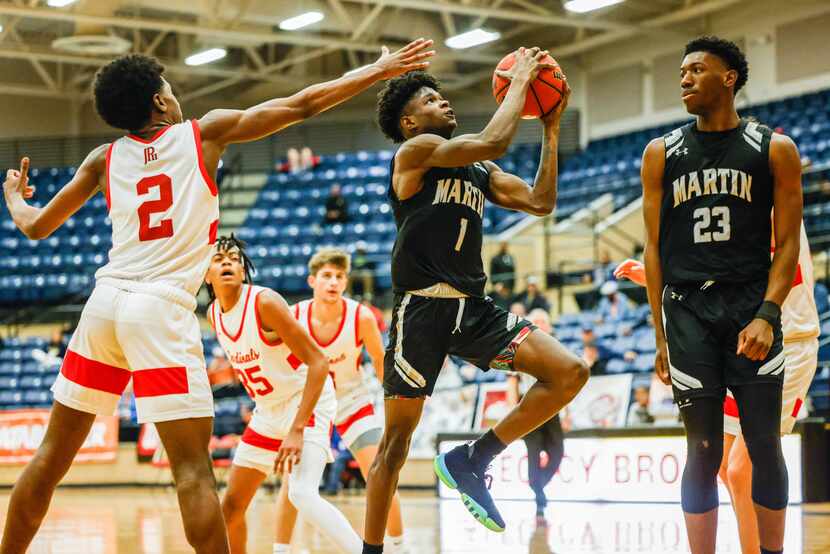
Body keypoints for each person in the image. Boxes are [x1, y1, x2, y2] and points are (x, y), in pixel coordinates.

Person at [0, 40, 434, 554]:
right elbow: (303, 105)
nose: (174, 95)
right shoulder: (203, 134)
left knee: (50, 457)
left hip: (104, 303)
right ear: (160, 103)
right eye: (169, 88)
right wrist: (378, 70)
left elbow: (35, 226)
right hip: (159, 309)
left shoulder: (102, 159)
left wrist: (12, 196)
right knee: (193, 473)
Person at [363, 48, 589, 554]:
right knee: (395, 446)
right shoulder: (413, 154)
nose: (442, 101)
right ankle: (371, 550)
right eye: (429, 98)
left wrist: (550, 129)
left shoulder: (477, 170)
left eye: (441, 96)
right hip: (420, 310)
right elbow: (494, 137)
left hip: (473, 310)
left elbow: (540, 202)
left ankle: (475, 458)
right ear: (409, 120)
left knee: (569, 372)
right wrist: (520, 83)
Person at [638, 36, 802, 554]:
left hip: (750, 307)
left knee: (764, 445)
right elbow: (652, 250)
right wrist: (660, 338)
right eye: (681, 71)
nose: (683, 78)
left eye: (696, 70)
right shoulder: (661, 153)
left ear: (729, 78)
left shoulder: (773, 148)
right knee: (702, 451)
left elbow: (790, 243)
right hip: (687, 312)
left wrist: (769, 314)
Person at [615, 221, 818, 553]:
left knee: (741, 470)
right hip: (741, 340)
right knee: (723, 465)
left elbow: (724, 259)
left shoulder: (769, 193)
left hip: (789, 341)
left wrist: (663, 273)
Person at [206, 236, 361, 554]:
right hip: (268, 410)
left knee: (302, 494)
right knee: (231, 506)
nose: (226, 263)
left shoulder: (264, 302)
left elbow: (318, 362)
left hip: (308, 400)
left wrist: (296, 428)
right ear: (205, 273)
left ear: (244, 269)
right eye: (218, 258)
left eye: (234, 259)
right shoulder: (213, 315)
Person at [274, 249, 407, 553]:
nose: (333, 282)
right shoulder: (295, 315)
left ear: (346, 282)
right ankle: (280, 550)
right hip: (312, 406)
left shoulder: (360, 316)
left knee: (379, 472)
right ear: (312, 280)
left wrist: (395, 405)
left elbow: (378, 360)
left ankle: (400, 546)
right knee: (292, 483)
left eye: (339, 276)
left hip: (351, 399)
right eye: (326, 276)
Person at [506, 309, 564, 524]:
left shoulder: (559, 348)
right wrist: (514, 412)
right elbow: (512, 382)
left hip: (553, 409)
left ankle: (537, 485)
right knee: (533, 453)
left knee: (557, 452)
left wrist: (568, 412)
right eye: (536, 320)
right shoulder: (518, 346)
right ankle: (539, 494)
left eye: (543, 321)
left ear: (549, 326)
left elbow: (566, 383)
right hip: (529, 408)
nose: (540, 324)